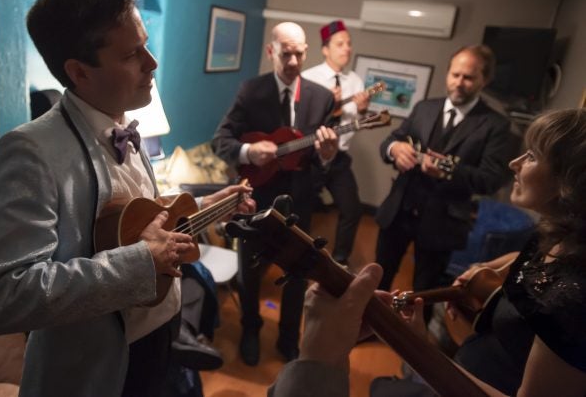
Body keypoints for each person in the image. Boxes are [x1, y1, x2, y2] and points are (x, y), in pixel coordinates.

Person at [0, 0, 254, 397]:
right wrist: (139, 263)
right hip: (101, 370)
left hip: (163, 338)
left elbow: (138, 221)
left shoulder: (125, 125)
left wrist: (210, 206)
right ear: (80, 71)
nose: (153, 63)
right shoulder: (30, 150)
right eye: (132, 54)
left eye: (146, 45)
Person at [270, 108, 586, 397]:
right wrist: (486, 268)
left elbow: (489, 178)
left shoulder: (572, 302)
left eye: (530, 156)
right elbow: (524, 262)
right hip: (402, 220)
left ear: (568, 183)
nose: (514, 163)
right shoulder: (547, 234)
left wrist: (419, 349)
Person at [212, 22, 339, 365]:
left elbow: (322, 161)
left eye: (299, 53)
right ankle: (250, 329)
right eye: (286, 53)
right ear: (271, 52)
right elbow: (220, 141)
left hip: (300, 200)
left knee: (298, 272)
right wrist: (248, 153)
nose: (294, 61)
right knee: (249, 273)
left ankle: (288, 339)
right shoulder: (250, 91)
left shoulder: (322, 97)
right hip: (255, 196)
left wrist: (327, 154)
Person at [374, 45, 518, 305]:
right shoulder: (424, 107)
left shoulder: (496, 124)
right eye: (455, 74)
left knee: (426, 292)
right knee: (378, 278)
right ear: (448, 74)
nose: (459, 83)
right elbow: (390, 141)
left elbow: (491, 179)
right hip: (399, 211)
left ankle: (412, 341)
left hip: (443, 222)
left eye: (468, 77)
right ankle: (368, 325)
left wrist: (449, 170)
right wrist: (395, 149)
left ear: (485, 80)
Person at [302, 20, 368, 265]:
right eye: (340, 44)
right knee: (302, 210)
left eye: (349, 44)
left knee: (352, 209)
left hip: (338, 157)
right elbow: (301, 122)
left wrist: (361, 111)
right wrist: (329, 107)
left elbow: (356, 124)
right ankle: (299, 256)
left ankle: (339, 261)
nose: (347, 48)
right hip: (310, 156)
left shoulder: (355, 82)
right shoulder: (308, 79)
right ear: (325, 49)